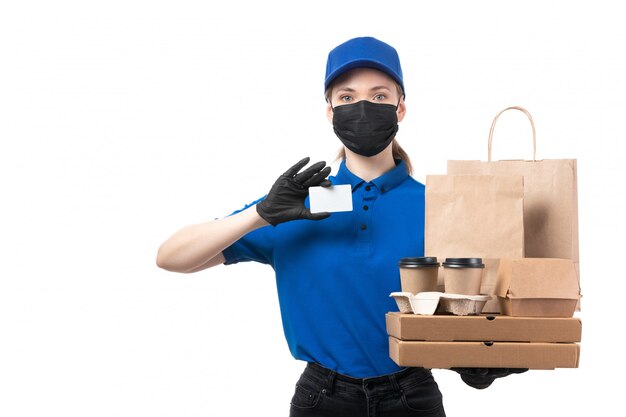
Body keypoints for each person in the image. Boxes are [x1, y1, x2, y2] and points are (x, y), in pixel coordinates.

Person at [157, 36, 524, 417]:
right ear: (330, 112)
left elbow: (472, 303)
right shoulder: (297, 205)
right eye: (347, 97)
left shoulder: (441, 206)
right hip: (322, 398)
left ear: (400, 109)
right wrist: (261, 214)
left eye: (379, 96)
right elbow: (171, 257)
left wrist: (479, 355)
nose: (363, 107)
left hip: (412, 396)